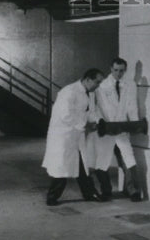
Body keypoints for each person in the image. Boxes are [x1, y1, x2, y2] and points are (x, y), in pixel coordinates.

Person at [42, 68, 105, 206]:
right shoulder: (69, 91)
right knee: (62, 168)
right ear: (88, 79)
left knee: (82, 165)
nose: (98, 85)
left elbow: (87, 113)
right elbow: (66, 115)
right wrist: (86, 125)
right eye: (97, 82)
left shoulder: (88, 93)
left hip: (76, 134)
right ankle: (52, 197)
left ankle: (90, 193)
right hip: (63, 136)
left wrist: (98, 121)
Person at [93, 57, 143, 202]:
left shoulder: (130, 85)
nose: (118, 73)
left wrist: (134, 125)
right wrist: (100, 122)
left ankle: (133, 191)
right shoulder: (101, 86)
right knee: (102, 161)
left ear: (125, 70)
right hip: (107, 129)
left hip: (121, 128)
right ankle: (106, 191)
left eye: (121, 71)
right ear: (111, 69)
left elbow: (132, 107)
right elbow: (96, 108)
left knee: (129, 158)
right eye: (116, 70)